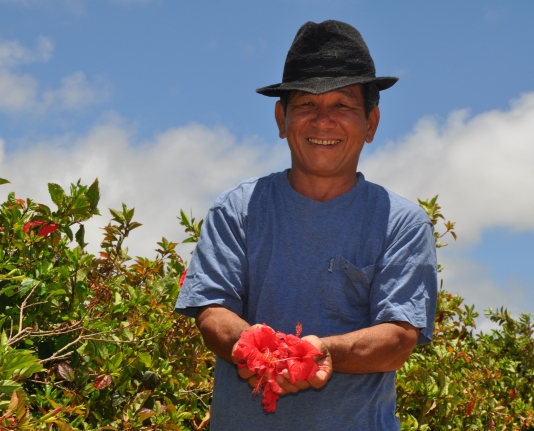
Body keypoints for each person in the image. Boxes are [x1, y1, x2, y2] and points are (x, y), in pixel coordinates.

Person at [175, 20, 438, 430]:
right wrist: (255, 350)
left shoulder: (401, 222)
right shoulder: (237, 209)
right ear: (282, 119)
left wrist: (323, 352)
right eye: (306, 105)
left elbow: (399, 338)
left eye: (344, 106)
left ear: (371, 123)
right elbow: (212, 312)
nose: (323, 121)